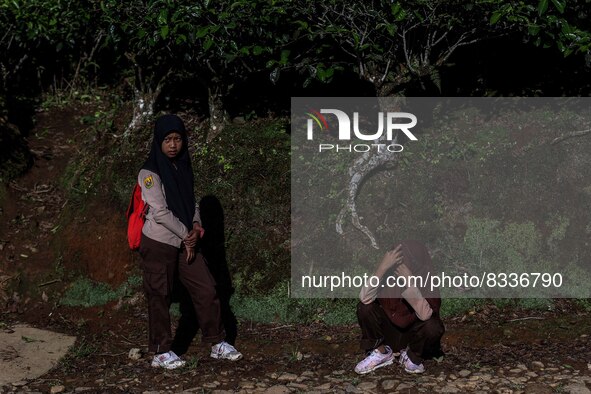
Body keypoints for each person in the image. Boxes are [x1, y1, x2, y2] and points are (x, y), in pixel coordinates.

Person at [138, 114, 242, 369]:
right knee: (159, 294)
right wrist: (187, 235)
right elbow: (160, 212)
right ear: (158, 142)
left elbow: (190, 201)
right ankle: (161, 351)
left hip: (187, 241)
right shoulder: (149, 172)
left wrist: (196, 226)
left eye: (178, 139)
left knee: (206, 287)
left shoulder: (182, 166)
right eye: (167, 140)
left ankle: (217, 342)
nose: (173, 145)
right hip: (160, 243)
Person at [355, 240, 444, 375]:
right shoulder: (388, 274)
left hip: (413, 336)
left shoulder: (426, 276)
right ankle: (381, 352)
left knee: (433, 326)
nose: (400, 265)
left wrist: (410, 282)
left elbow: (426, 315)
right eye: (397, 260)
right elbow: (364, 298)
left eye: (405, 260)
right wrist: (382, 268)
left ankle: (411, 356)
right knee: (365, 308)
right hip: (389, 333)